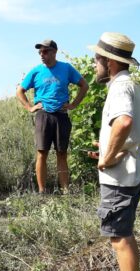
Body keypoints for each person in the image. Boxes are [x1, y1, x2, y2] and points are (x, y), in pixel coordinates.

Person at [88, 32, 140, 271]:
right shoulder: (138, 89)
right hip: (135, 171)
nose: (94, 65)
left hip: (119, 178)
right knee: (123, 234)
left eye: (96, 60)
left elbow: (125, 122)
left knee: (120, 237)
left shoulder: (119, 88)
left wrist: (107, 157)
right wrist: (109, 146)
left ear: (110, 62)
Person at [16, 39, 88, 194]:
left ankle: (65, 191)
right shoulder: (36, 71)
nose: (42, 55)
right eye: (40, 52)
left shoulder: (66, 68)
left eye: (46, 51)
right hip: (43, 115)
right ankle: (42, 191)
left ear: (54, 51)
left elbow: (84, 85)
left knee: (62, 153)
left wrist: (73, 104)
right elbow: (20, 90)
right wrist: (30, 107)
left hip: (61, 115)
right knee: (42, 152)